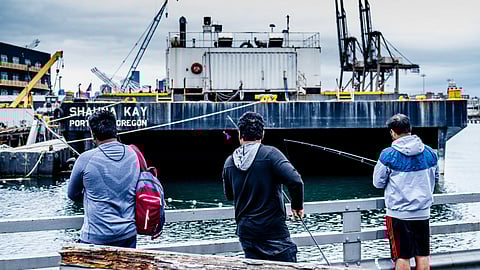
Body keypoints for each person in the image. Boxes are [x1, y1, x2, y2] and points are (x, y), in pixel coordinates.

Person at [222, 111, 304, 262]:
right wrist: (297, 206)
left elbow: (230, 196)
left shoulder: (229, 163)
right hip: (273, 231)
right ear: (262, 134)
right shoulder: (271, 154)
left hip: (246, 233)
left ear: (240, 134)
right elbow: (295, 180)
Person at [373, 114, 439, 270]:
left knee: (402, 257)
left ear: (393, 132)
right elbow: (435, 178)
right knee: (422, 255)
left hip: (399, 214)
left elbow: (378, 183)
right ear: (410, 129)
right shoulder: (430, 153)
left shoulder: (388, 155)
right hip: (423, 212)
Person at [68, 110, 139, 248]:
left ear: (92, 134)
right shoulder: (133, 155)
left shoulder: (85, 159)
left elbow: (72, 194)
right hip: (128, 236)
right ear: (115, 129)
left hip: (96, 237)